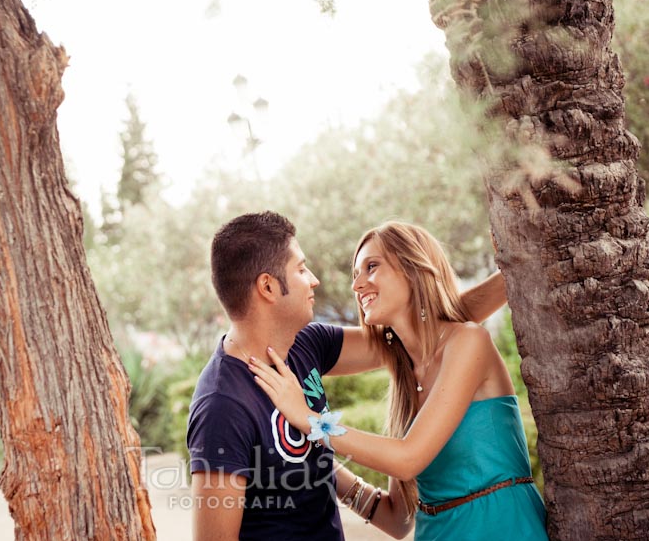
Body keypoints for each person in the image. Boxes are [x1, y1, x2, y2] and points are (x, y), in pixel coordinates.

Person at [188, 212, 509, 541]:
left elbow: (430, 330)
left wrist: (514, 273)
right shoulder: (221, 407)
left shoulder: (307, 344)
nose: (313, 280)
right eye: (300, 269)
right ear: (268, 287)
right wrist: (312, 424)